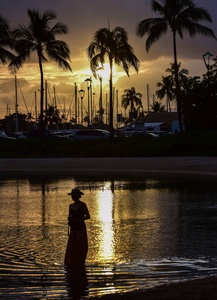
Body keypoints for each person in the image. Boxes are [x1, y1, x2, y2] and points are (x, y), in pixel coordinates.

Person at [64, 187, 90, 266]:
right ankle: (71, 262)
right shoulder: (70, 206)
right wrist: (70, 221)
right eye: (72, 196)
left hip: (81, 228)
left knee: (81, 246)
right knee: (72, 246)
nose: (72, 197)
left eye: (74, 195)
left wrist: (79, 220)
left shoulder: (82, 205)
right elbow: (69, 216)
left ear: (78, 196)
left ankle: (80, 262)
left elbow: (88, 216)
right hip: (73, 229)